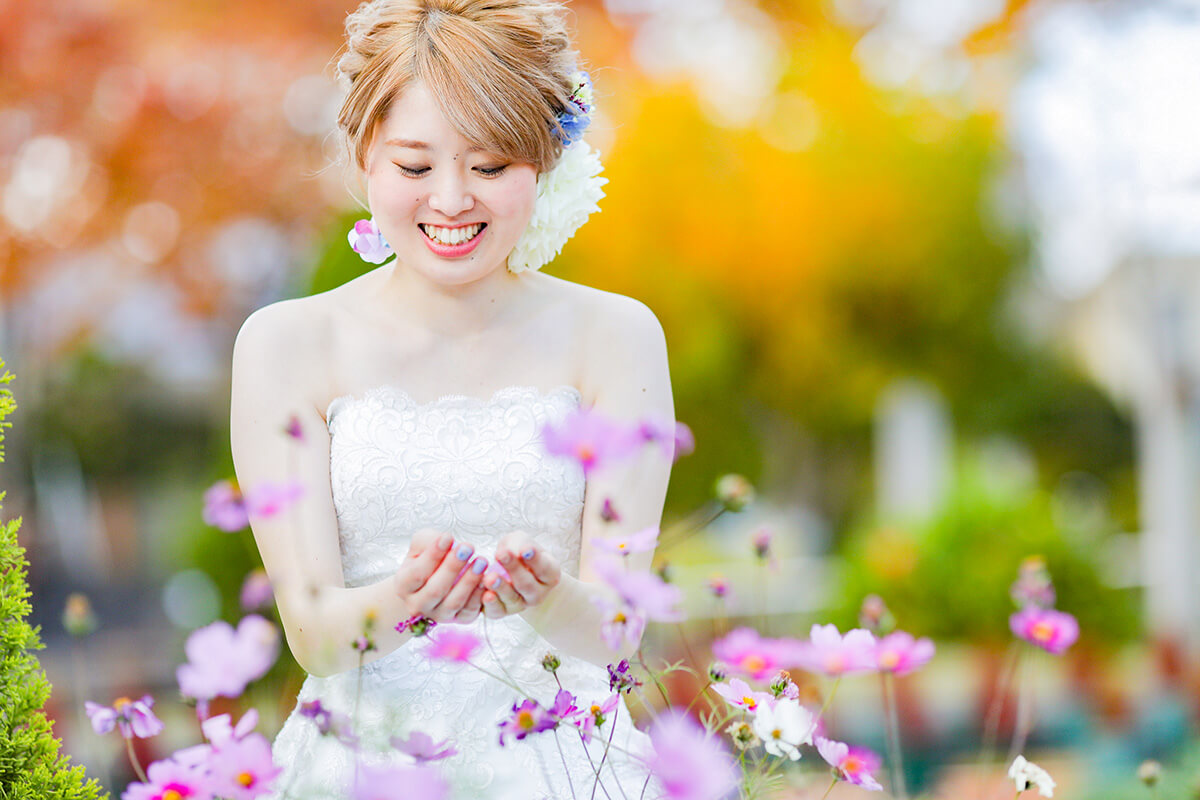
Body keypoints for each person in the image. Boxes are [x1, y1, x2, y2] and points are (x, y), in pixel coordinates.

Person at [228, 0, 675, 796]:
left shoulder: (616, 335)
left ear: (544, 161)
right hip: (365, 762)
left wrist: (550, 597)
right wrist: (406, 601)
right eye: (413, 166)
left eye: (491, 166)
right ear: (365, 156)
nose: (451, 200)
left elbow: (616, 631)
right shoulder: (286, 344)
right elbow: (314, 636)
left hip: (567, 764)